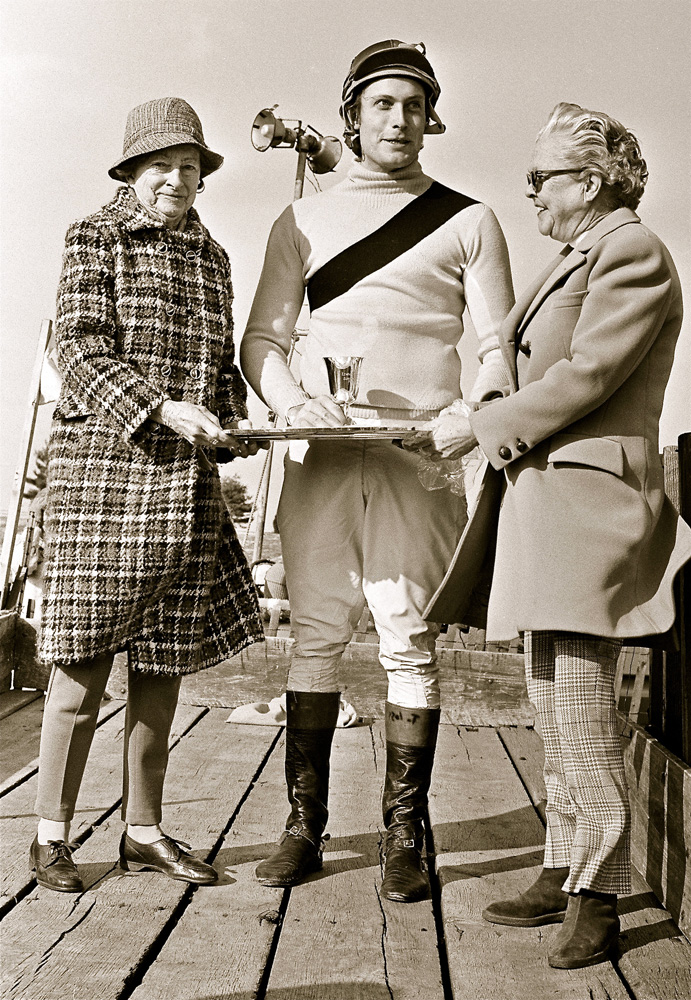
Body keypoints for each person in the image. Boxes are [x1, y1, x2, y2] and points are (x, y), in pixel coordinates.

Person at [409, 102, 691, 965]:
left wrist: (482, 424)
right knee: (550, 702)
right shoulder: (579, 255)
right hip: (549, 510)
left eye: (540, 178)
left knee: (575, 708)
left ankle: (599, 894)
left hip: (587, 515)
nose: (528, 192)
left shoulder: (631, 252)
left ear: (591, 181)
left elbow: (588, 374)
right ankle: (564, 862)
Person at [240, 40, 515, 901]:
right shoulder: (301, 220)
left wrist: (469, 415)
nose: (399, 120)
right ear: (352, 116)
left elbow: (496, 349)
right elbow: (263, 342)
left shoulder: (471, 219)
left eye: (414, 105)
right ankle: (303, 827)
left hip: (416, 458)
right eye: (382, 104)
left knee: (408, 637)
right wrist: (290, 404)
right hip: (321, 453)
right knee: (316, 633)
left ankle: (406, 835)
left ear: (431, 117)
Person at [30, 97, 265, 893]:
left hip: (184, 489)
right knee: (81, 668)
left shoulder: (214, 257)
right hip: (102, 480)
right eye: (161, 165)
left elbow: (222, 372)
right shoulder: (93, 235)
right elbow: (81, 351)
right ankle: (51, 836)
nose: (177, 179)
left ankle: (143, 831)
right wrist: (161, 408)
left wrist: (236, 425)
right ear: (130, 172)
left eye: (191, 167)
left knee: (162, 671)